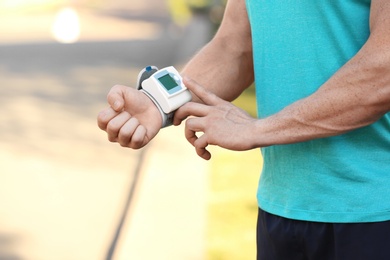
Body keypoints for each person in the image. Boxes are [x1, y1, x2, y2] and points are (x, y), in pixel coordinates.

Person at [97, 0, 390, 259]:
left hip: (375, 214)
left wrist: (258, 130)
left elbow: (384, 68)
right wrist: (157, 101)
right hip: (281, 209)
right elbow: (235, 46)